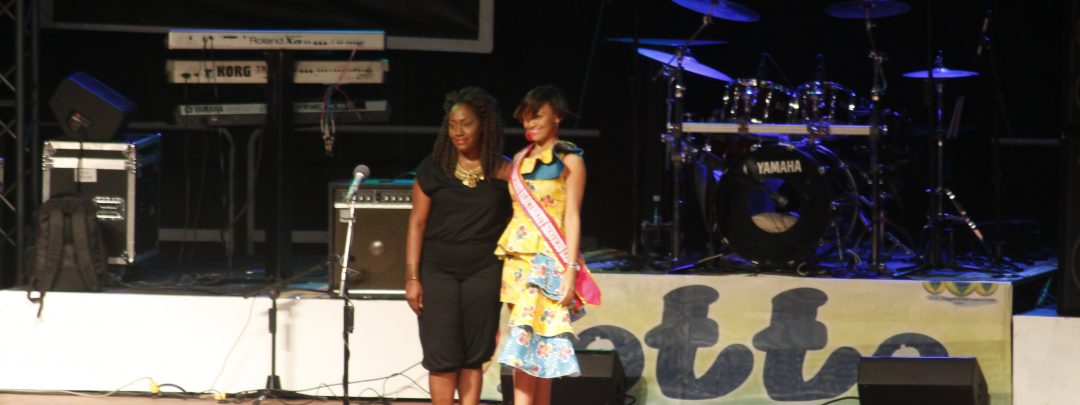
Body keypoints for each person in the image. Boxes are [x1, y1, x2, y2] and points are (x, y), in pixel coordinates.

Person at [404, 87, 512, 405]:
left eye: (466, 124)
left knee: (473, 355)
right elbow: (416, 223)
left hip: (485, 271)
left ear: (484, 125)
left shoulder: (504, 171)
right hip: (438, 270)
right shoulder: (433, 168)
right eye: (452, 125)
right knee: (441, 356)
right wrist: (412, 277)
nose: (458, 132)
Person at [495, 85, 601, 405]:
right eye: (526, 118)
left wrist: (571, 269)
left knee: (537, 345)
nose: (530, 124)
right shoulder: (519, 159)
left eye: (537, 116)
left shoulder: (571, 160)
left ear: (557, 116)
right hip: (517, 261)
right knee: (528, 345)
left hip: (549, 260)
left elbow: (572, 216)